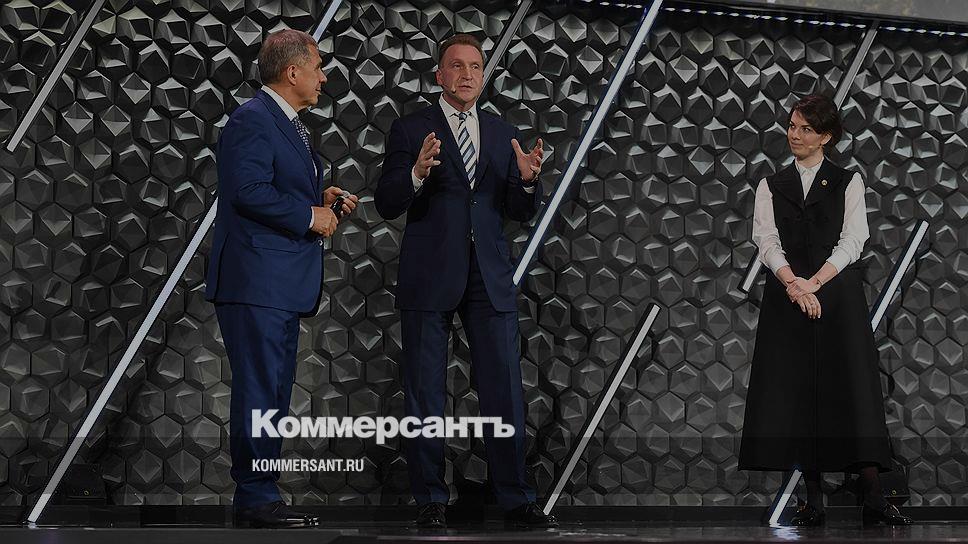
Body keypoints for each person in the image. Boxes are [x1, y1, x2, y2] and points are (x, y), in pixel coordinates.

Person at [375, 34, 556, 529]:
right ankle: (430, 498)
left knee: (504, 389)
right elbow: (387, 201)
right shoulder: (411, 128)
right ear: (439, 75)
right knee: (425, 392)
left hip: (489, 278)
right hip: (430, 274)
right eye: (456, 66)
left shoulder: (502, 132)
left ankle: (515, 498)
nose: (467, 74)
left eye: (475, 66)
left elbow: (517, 211)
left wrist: (527, 181)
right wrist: (415, 174)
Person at [204, 29, 358, 528]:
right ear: (293, 72)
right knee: (260, 388)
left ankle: (261, 494)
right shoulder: (253, 119)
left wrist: (319, 199)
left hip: (279, 283)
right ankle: (255, 498)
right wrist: (309, 215)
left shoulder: (286, 123)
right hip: (257, 280)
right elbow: (247, 190)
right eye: (318, 68)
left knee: (271, 389)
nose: (324, 77)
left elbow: (272, 186)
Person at [738, 94, 912, 526]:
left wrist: (813, 283)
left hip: (836, 298)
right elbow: (766, 241)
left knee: (851, 392)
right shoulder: (771, 184)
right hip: (788, 299)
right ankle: (812, 500)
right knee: (799, 395)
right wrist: (793, 285)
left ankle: (873, 496)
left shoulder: (847, 181)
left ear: (826, 137)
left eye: (805, 129)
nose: (794, 135)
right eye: (792, 126)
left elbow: (854, 239)